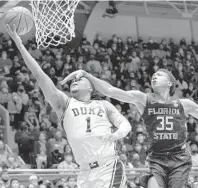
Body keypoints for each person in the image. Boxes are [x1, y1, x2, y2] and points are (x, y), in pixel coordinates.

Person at [6, 24, 131, 188]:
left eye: (79, 79)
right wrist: (19, 43)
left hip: (108, 167)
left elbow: (125, 125)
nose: (75, 80)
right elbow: (39, 75)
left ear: (91, 87)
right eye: (73, 80)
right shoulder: (65, 104)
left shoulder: (104, 105)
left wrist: (116, 135)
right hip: (85, 172)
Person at [61, 69, 198, 188]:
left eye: (160, 75)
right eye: (153, 75)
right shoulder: (143, 99)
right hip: (157, 158)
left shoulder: (184, 104)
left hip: (179, 157)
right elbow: (110, 91)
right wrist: (87, 75)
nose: (154, 76)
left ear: (169, 83)